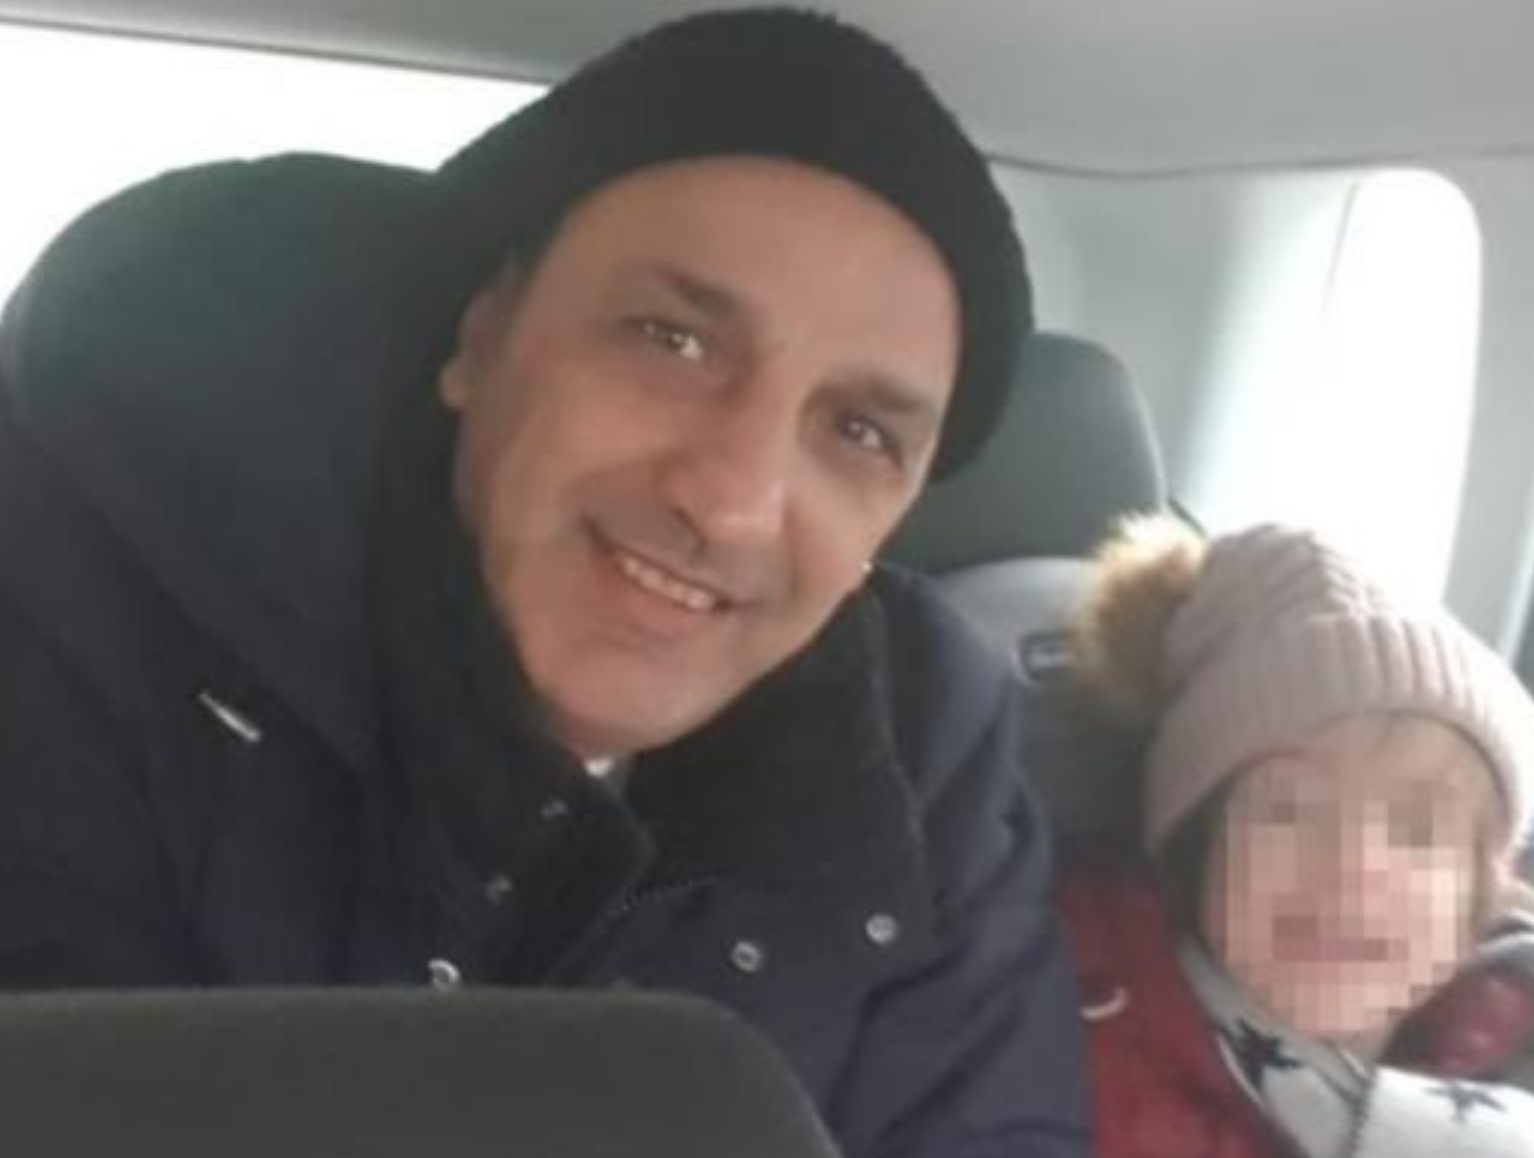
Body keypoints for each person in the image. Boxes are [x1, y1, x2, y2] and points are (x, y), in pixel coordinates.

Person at [0, 10, 1087, 1156]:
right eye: (671, 340)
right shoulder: (81, 596)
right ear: (480, 337)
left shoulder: (924, 751)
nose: (731, 502)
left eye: (858, 432)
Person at [1056, 517, 1534, 1158]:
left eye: (1419, 831)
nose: (1356, 866)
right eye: (1292, 813)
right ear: (1199, 854)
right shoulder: (1092, 1074)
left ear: (1477, 900)